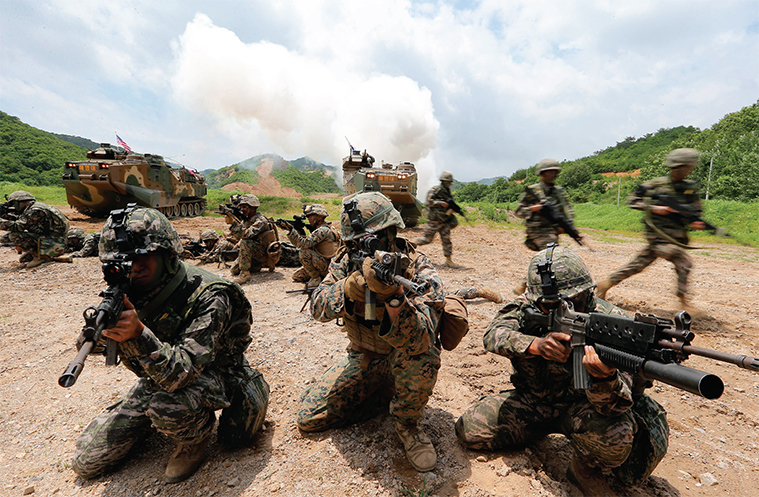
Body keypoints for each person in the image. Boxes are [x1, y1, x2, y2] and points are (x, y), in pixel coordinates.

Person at [71, 207, 269, 483]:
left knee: (172, 409)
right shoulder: (130, 288)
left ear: (168, 253)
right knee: (87, 462)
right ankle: (149, 422)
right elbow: (91, 346)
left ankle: (193, 439)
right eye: (123, 260)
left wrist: (138, 335)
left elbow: (184, 373)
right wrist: (101, 333)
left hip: (214, 372)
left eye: (142, 256)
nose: (134, 266)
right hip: (158, 375)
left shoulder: (211, 294)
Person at [455, 245, 669, 496]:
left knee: (615, 436)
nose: (566, 309)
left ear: (587, 291)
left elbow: (615, 408)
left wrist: (604, 377)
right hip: (534, 401)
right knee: (469, 430)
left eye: (574, 299)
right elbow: (493, 335)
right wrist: (535, 345)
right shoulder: (526, 308)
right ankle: (535, 434)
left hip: (585, 410)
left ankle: (585, 471)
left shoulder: (613, 324)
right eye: (552, 304)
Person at [297, 192, 446, 472]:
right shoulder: (345, 262)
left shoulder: (417, 266)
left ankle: (406, 423)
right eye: (355, 243)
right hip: (364, 356)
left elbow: (421, 341)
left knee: (423, 360)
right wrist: (347, 290)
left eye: (372, 239)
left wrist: (394, 300)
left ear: (391, 231)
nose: (361, 249)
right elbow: (317, 307)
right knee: (308, 418)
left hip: (404, 358)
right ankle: (380, 394)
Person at [596, 148, 706, 316]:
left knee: (637, 265)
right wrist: (654, 208)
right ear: (674, 167)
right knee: (683, 260)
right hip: (658, 237)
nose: (687, 171)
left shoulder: (689, 188)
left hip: (674, 237)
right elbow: (632, 200)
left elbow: (696, 212)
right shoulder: (655, 184)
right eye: (684, 167)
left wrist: (695, 221)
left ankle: (606, 284)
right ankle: (683, 304)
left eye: (690, 167)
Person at [516, 158, 575, 251]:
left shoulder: (559, 192)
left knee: (552, 254)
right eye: (550, 172)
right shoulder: (533, 191)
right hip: (536, 230)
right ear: (542, 173)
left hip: (552, 231)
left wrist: (568, 226)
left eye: (555, 172)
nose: (553, 174)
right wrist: (533, 208)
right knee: (551, 253)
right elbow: (518, 212)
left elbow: (567, 210)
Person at [277, 204, 341, 288]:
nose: (308, 219)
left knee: (304, 252)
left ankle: (316, 278)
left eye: (311, 216)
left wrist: (291, 230)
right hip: (327, 264)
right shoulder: (326, 228)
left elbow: (303, 244)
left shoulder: (322, 231)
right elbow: (309, 243)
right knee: (297, 276)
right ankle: (322, 277)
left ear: (320, 217)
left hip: (328, 267)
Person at [0, 190, 70, 268]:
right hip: (56, 241)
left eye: (13, 204)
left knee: (13, 236)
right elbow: (26, 221)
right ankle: (44, 254)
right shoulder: (36, 207)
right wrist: (8, 217)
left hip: (56, 243)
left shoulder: (35, 210)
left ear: (20, 202)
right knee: (23, 258)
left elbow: (18, 226)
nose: (14, 207)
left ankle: (41, 257)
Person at [226, 194, 280, 284]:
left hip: (264, 253)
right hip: (254, 251)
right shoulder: (247, 219)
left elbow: (246, 235)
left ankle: (245, 274)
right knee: (234, 270)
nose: (242, 210)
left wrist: (233, 224)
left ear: (253, 208)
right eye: (240, 207)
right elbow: (239, 236)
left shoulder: (261, 221)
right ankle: (256, 265)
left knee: (245, 241)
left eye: (244, 207)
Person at [413, 171, 462, 268]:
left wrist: (452, 210)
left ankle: (448, 260)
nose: (448, 184)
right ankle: (409, 245)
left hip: (444, 220)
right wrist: (440, 203)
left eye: (450, 182)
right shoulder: (435, 190)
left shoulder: (448, 193)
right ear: (442, 181)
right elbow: (428, 203)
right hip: (434, 221)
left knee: (446, 241)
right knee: (426, 239)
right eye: (447, 182)